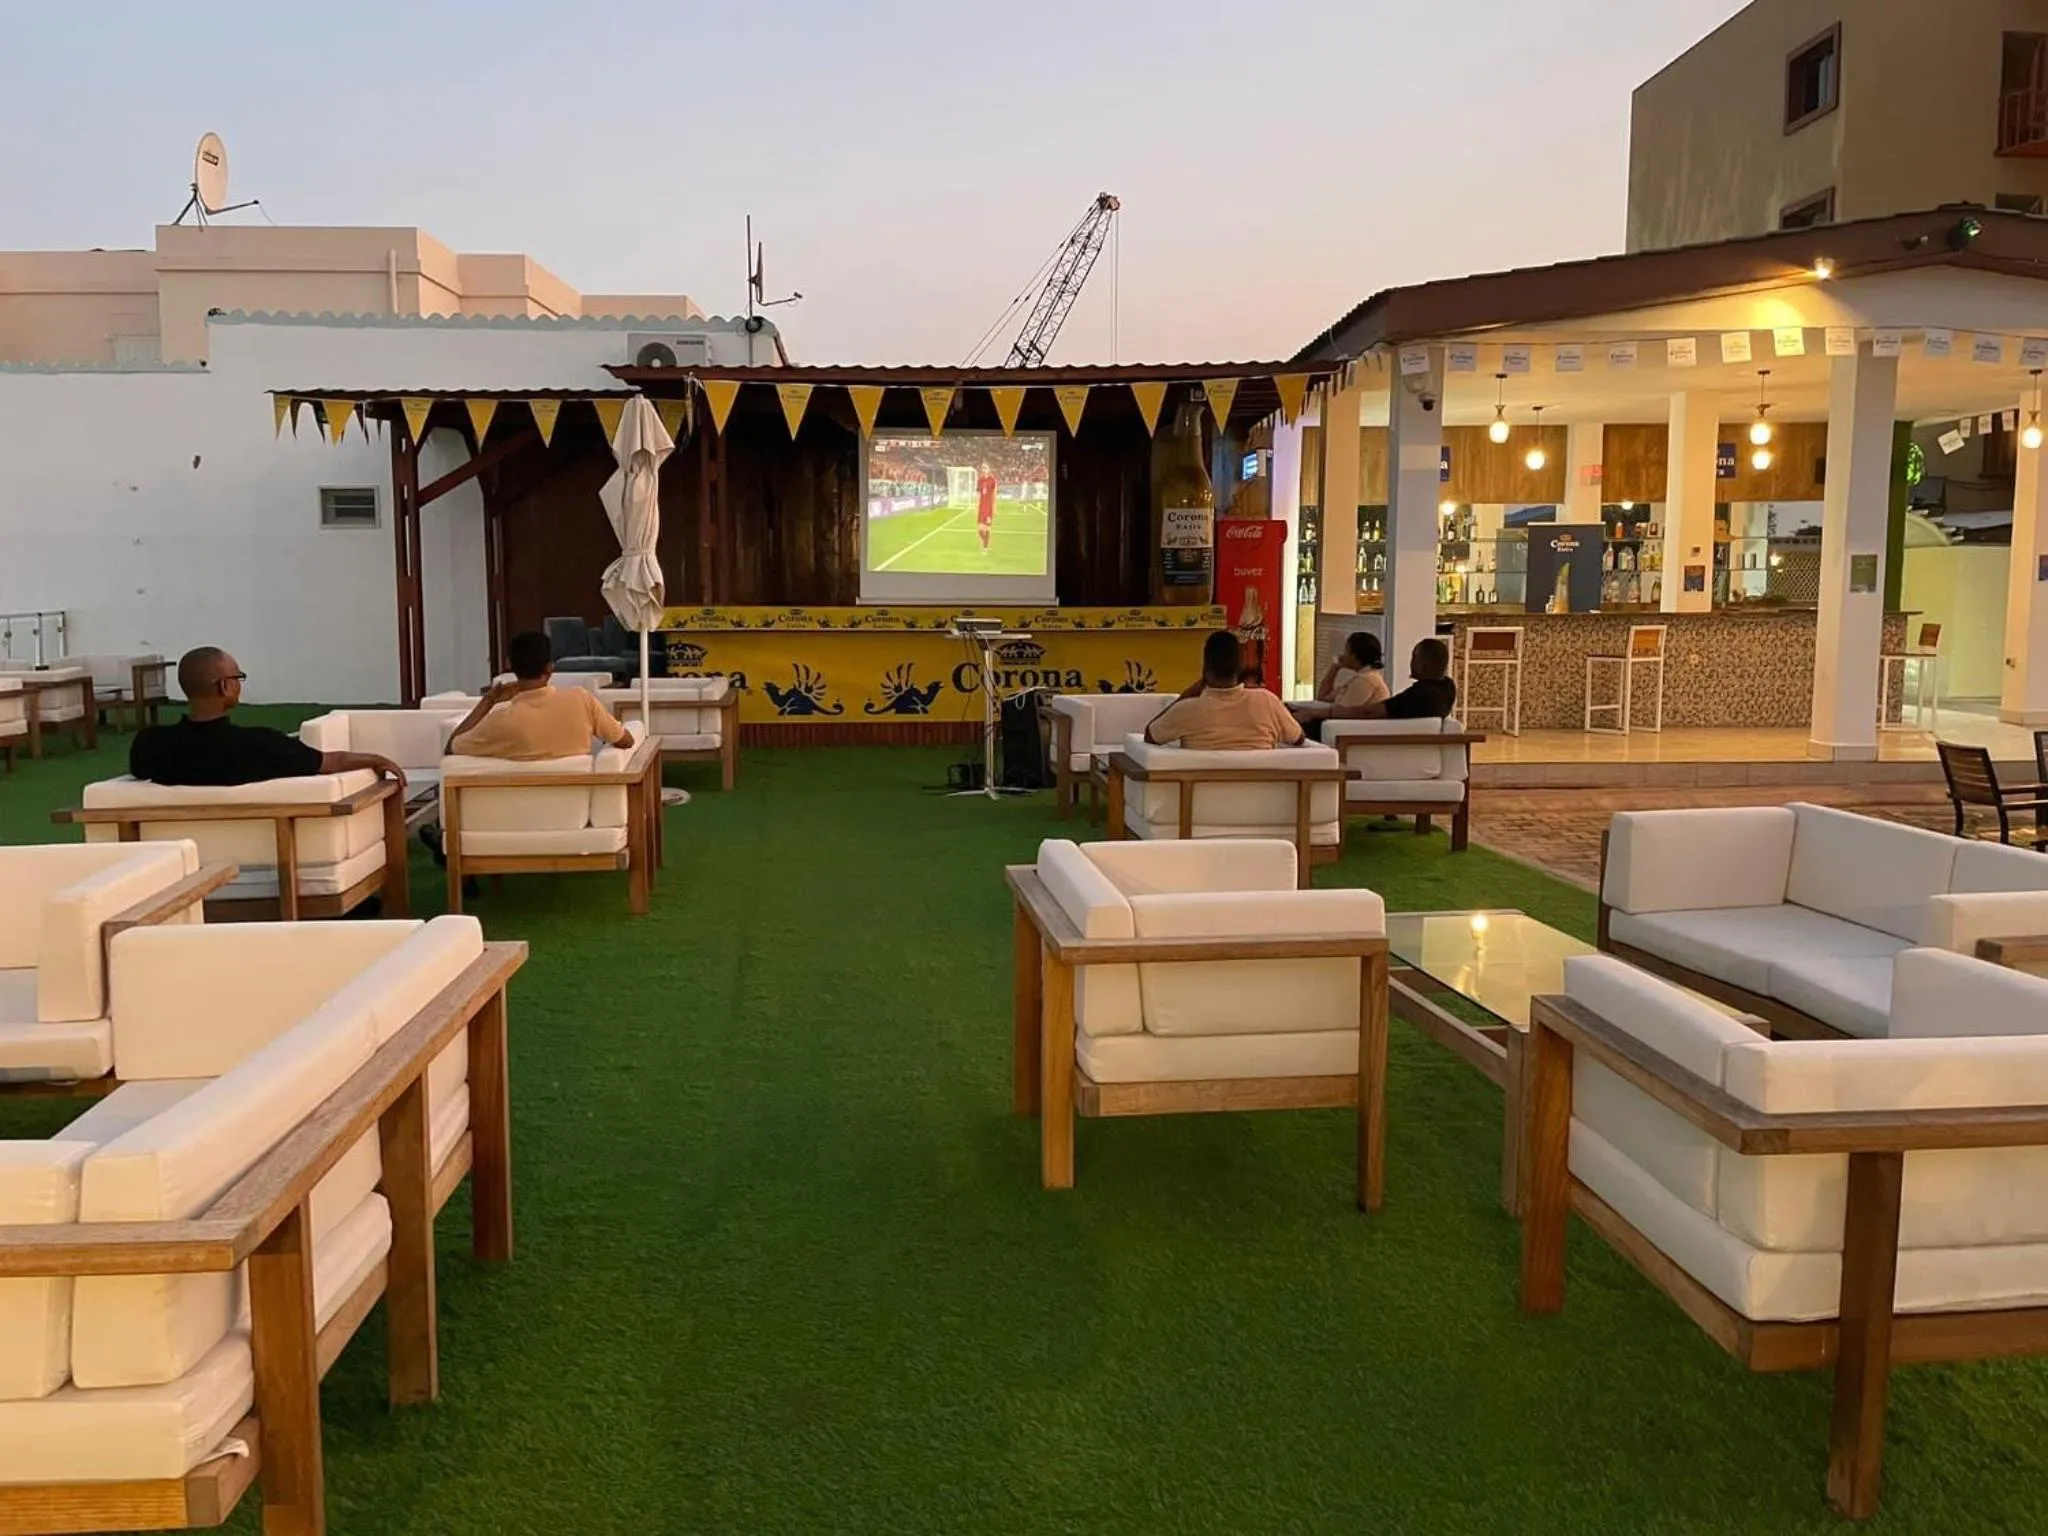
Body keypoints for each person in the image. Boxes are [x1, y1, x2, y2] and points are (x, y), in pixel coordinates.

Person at [131, 647, 406, 789]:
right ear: (225, 686)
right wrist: (376, 759)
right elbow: (330, 762)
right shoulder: (262, 745)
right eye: (237, 677)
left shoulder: (150, 746)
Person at [447, 631, 633, 760]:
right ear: (550, 667)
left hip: (517, 805)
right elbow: (626, 741)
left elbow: (451, 749)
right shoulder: (581, 699)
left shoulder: (499, 721)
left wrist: (489, 701)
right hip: (575, 802)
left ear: (509, 664)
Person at [1144, 631, 1306, 751]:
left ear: (1205, 670)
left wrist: (1187, 694)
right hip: (1262, 788)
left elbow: (1150, 736)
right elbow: (1298, 738)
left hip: (1203, 788)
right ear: (1241, 667)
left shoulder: (1186, 709)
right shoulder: (1267, 701)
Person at [1329, 637, 1459, 721]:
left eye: (1415, 657)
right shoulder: (1447, 688)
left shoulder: (1418, 695)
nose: (1411, 662)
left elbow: (1370, 712)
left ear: (1424, 663)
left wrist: (1327, 713)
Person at [1317, 632, 1390, 712]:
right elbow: (1322, 699)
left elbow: (1341, 712)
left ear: (1354, 656)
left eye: (1346, 650)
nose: (1342, 655)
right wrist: (1335, 668)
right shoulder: (1362, 677)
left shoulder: (1366, 680)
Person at [976, 460, 998, 553]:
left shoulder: (992, 480)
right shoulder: (979, 480)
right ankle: (986, 544)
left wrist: (995, 507)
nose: (983, 469)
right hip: (981, 507)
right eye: (982, 468)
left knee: (987, 528)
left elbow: (994, 495)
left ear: (989, 469)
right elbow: (978, 494)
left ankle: (985, 547)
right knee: (980, 529)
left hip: (989, 508)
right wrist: (976, 506)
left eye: (985, 468)